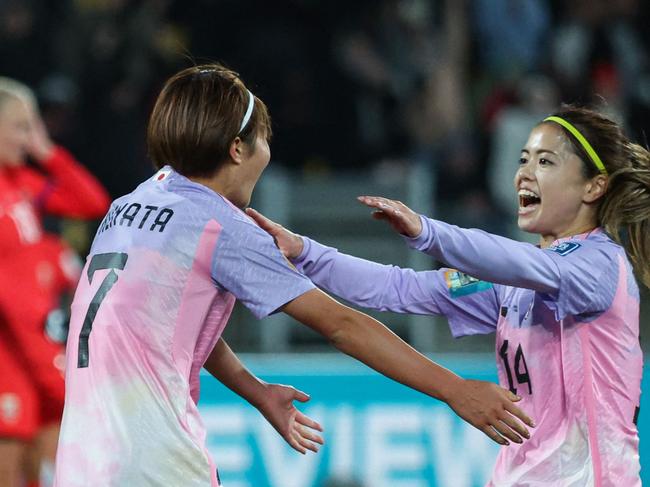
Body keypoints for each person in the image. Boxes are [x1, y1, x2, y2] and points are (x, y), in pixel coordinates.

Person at [53, 64, 533, 487]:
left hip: (85, 456)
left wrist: (255, 390)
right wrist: (457, 391)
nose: (267, 154)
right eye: (264, 141)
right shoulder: (221, 226)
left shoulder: (132, 204)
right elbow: (342, 326)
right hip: (153, 458)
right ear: (238, 148)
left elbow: (164, 321)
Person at [247, 106, 647, 486]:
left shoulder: (599, 265)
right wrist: (305, 252)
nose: (524, 174)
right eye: (523, 159)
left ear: (594, 186)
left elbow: (528, 264)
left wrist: (428, 232)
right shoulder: (508, 281)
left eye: (545, 162)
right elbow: (398, 287)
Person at [0, 77, 111, 487]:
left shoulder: (24, 189)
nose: (29, 138)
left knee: (42, 472)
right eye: (21, 127)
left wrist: (47, 153)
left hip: (33, 358)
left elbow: (90, 202)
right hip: (11, 361)